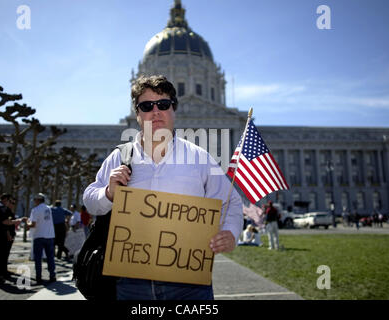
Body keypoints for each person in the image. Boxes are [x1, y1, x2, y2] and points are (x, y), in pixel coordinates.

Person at [83, 75, 243, 300]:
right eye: (147, 106)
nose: (156, 112)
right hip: (131, 283)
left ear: (174, 109)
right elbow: (90, 199)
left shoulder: (199, 158)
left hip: (189, 285)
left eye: (164, 105)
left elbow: (231, 202)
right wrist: (108, 193)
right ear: (137, 114)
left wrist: (231, 233)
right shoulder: (120, 156)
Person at [0, 194, 22, 285]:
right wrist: (15, 222)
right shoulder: (0, 207)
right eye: (10, 201)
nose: (10, 203)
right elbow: (4, 222)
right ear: (5, 199)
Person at [23, 193, 56, 285]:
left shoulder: (35, 210)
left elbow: (33, 224)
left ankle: (39, 277)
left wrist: (26, 222)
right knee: (50, 257)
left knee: (38, 258)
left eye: (34, 200)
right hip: (49, 235)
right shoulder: (48, 209)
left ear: (37, 200)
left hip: (39, 235)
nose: (34, 202)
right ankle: (52, 275)